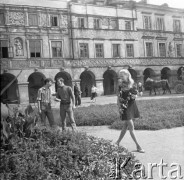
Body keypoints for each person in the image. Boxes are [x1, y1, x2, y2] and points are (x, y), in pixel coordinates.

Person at [116, 69, 145, 153]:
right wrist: (119, 107)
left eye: (122, 76)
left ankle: (117, 142)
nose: (120, 78)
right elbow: (118, 97)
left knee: (125, 126)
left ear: (127, 75)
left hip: (132, 106)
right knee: (131, 127)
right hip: (124, 108)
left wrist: (135, 96)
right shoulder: (120, 85)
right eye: (120, 76)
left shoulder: (133, 84)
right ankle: (138, 146)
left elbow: (136, 95)